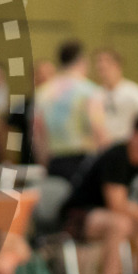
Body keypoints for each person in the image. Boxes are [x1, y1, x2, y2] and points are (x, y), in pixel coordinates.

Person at [58, 114, 138, 274]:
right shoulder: (117, 156)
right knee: (119, 224)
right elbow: (117, 204)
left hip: (116, 216)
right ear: (136, 136)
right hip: (79, 216)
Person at [33, 39, 108, 183]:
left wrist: (44, 162)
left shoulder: (43, 93)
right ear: (82, 60)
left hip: (54, 160)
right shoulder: (90, 91)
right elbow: (98, 129)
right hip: (84, 161)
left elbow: (37, 133)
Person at [94, 47, 138, 144]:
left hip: (126, 146)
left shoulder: (132, 92)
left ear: (117, 66)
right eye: (99, 63)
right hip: (105, 146)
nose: (102, 65)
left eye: (107, 63)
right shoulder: (97, 94)